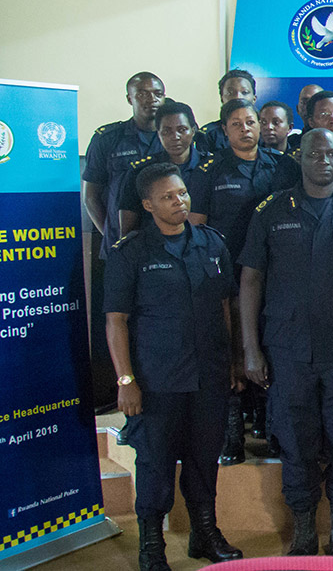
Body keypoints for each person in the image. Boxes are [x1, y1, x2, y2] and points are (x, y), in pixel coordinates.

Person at [239, 130, 333, 557]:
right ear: (299, 157)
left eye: (331, 153)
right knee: (294, 438)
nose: (323, 160)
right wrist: (250, 350)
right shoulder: (271, 211)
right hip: (287, 348)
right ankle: (303, 528)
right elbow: (251, 280)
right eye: (314, 153)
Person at [104, 163, 242, 571]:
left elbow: (225, 306)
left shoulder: (211, 243)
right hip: (157, 380)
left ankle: (205, 534)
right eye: (167, 197)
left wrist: (232, 360)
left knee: (204, 460)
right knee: (155, 463)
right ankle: (152, 546)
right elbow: (116, 321)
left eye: (182, 193)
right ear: (148, 205)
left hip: (208, 376)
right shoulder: (131, 252)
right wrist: (125, 380)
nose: (179, 201)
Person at [186, 99, 299, 465]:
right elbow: (197, 226)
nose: (246, 129)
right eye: (236, 124)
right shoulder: (210, 170)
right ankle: (231, 432)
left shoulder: (283, 166)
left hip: (274, 271)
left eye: (251, 121)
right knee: (231, 350)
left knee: (270, 345)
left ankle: (270, 422)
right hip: (226, 271)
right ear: (224, 130)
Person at [84, 71, 167, 252]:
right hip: (119, 241)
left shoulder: (174, 140)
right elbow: (91, 196)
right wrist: (112, 238)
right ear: (130, 99)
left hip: (165, 242)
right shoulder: (108, 139)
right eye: (143, 94)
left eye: (157, 94)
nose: (152, 99)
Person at [119, 100, 207, 238]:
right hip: (153, 246)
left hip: (203, 245)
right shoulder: (141, 171)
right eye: (167, 131)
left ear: (193, 131)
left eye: (182, 130)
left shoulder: (211, 167)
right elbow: (128, 228)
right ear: (158, 133)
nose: (175, 137)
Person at [202, 69, 256, 151]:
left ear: (254, 99)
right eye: (230, 93)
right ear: (222, 99)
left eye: (244, 92)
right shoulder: (208, 135)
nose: (238, 97)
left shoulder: (266, 131)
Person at [284, 83, 323, 151]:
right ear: (297, 109)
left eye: (315, 102)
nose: (309, 107)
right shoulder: (289, 144)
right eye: (305, 102)